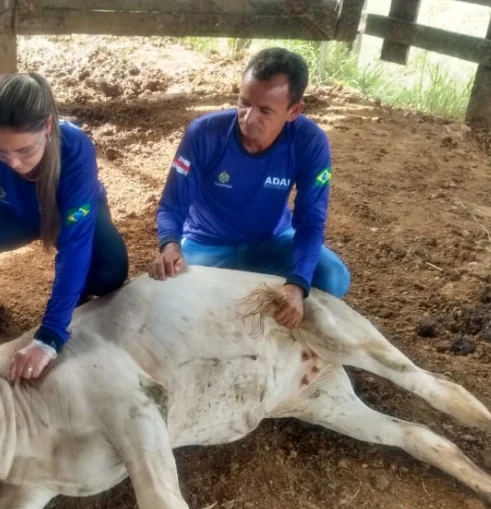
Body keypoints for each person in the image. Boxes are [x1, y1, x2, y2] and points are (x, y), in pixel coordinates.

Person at [0, 73, 129, 382]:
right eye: (1, 151)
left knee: (111, 271)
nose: (13, 162)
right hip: (15, 208)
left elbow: (76, 245)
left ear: (47, 126)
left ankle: (76, 304)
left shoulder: (75, 148)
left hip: (70, 215)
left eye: (24, 151)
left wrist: (50, 334)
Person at [150, 47, 350, 329]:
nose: (248, 117)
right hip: (206, 246)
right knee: (169, 297)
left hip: (272, 242)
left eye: (265, 110)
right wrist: (170, 246)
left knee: (333, 277)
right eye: (244, 103)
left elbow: (310, 222)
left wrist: (297, 284)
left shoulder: (310, 141)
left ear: (294, 111)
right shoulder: (204, 133)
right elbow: (172, 207)